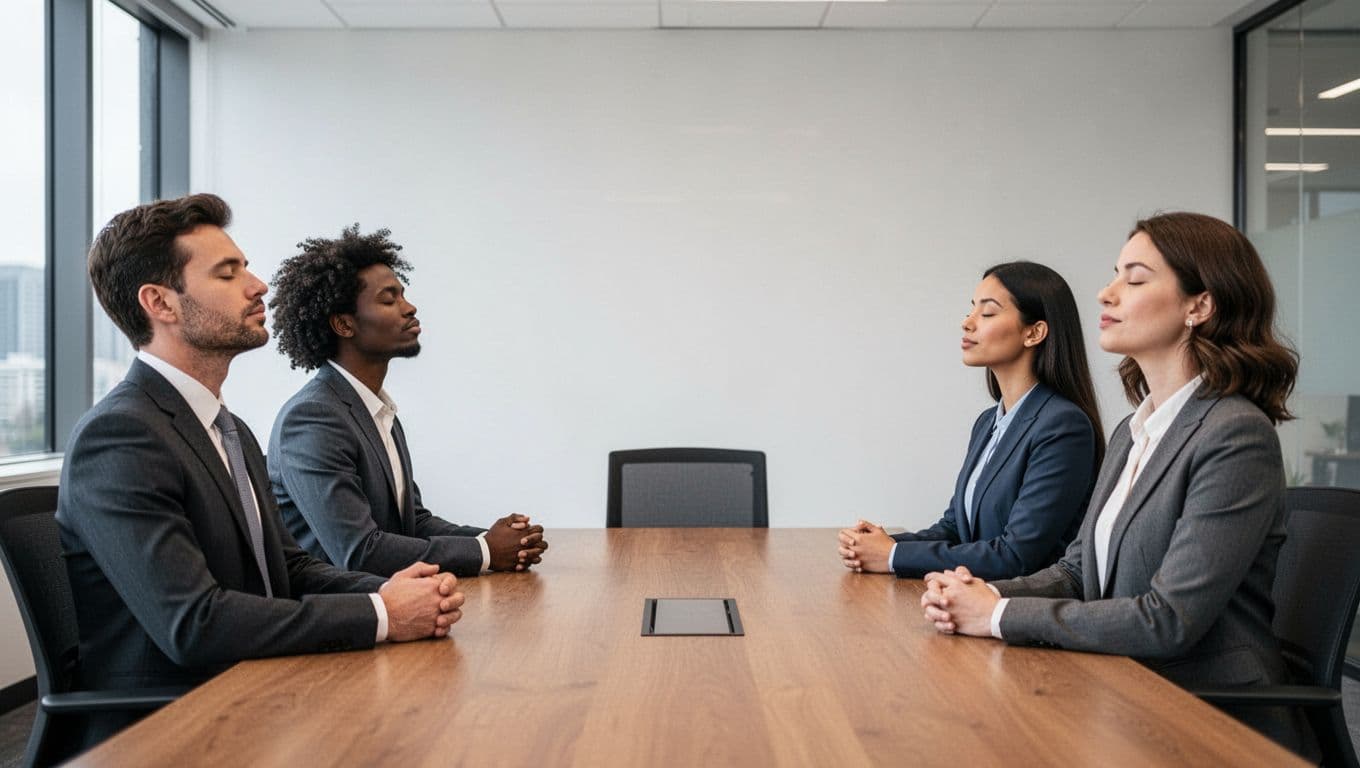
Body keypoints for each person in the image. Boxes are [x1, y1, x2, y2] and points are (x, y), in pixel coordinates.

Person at [57, 194, 463, 755]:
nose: (259, 285)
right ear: (161, 303)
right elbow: (194, 623)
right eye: (229, 273)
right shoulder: (121, 437)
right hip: (175, 729)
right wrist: (381, 614)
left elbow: (286, 568)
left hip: (260, 689)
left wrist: (394, 592)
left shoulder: (228, 428)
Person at [920, 212, 1305, 752]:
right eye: (1114, 274)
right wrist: (982, 593)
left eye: (1136, 278)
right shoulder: (1134, 430)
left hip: (1204, 712)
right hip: (1120, 684)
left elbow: (1168, 620)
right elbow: (1080, 570)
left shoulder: (1235, 435)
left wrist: (999, 614)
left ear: (1199, 306)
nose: (1106, 293)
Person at [267, 225, 547, 578]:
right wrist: (485, 551)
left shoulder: (378, 412)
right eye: (389, 300)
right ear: (343, 324)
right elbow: (359, 552)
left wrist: (497, 541)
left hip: (402, 605)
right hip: (347, 620)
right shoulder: (313, 418)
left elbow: (411, 522)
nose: (410, 308)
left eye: (403, 295)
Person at [838, 262, 1102, 579]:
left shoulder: (1063, 426)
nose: (967, 323)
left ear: (1034, 332)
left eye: (987, 313)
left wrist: (893, 555)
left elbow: (1015, 556)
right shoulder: (989, 422)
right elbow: (956, 528)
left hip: (1017, 614)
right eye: (971, 310)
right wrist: (880, 545)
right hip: (967, 604)